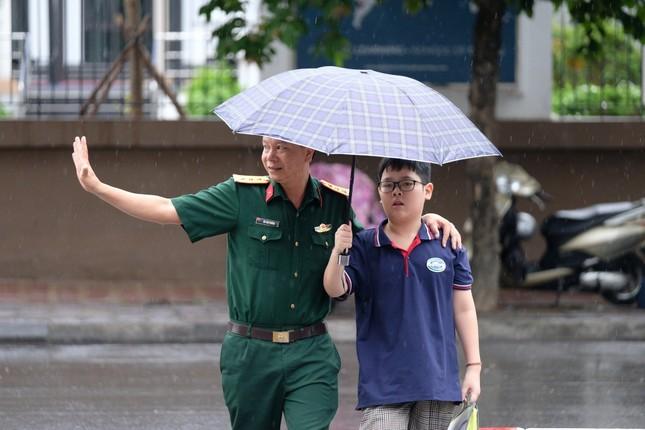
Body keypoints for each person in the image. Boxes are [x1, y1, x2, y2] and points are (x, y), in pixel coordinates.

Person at [71, 135, 462, 430]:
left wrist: (427, 221)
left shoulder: (334, 204)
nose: (269, 157)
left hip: (310, 352)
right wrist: (98, 188)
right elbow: (166, 209)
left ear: (308, 153)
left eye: (281, 148)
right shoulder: (241, 197)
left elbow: (379, 243)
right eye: (265, 147)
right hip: (249, 354)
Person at [323, 158, 481, 430]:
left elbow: (463, 308)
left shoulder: (447, 244)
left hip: (437, 384)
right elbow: (335, 288)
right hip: (383, 387)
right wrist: (338, 252)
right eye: (388, 185)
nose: (397, 191)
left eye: (407, 184)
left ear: (427, 190)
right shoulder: (364, 245)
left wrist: (474, 366)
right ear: (379, 193)